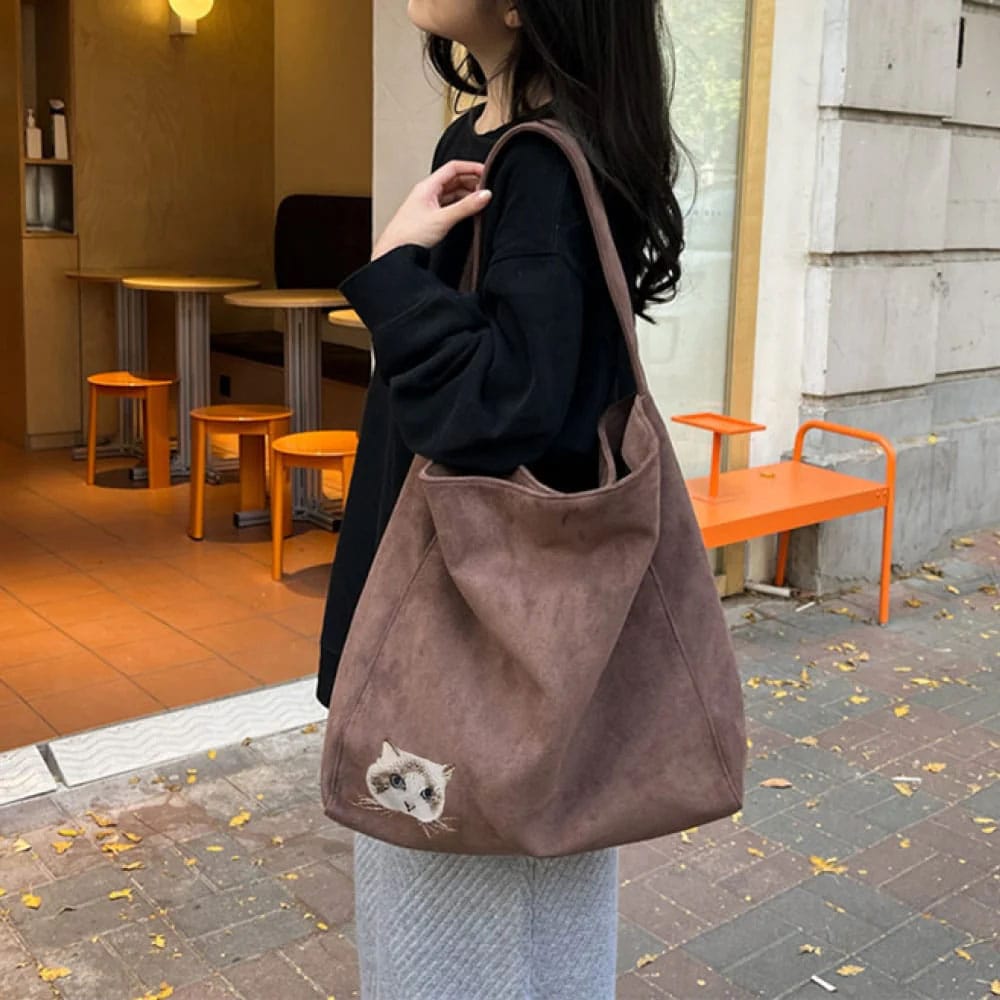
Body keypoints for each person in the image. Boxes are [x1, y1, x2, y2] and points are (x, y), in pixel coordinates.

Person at [317, 1, 686, 996]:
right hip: (473, 625)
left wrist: (393, 267)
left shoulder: (544, 168)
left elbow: (499, 405)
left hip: (473, 649)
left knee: (451, 935)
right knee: (480, 913)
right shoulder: (481, 138)